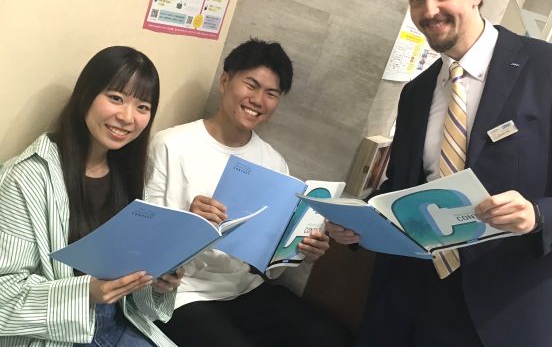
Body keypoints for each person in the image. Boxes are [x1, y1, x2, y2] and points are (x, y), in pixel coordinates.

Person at [328, 0, 552, 347]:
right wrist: (358, 222)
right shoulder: (416, 93)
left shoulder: (544, 68)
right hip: (407, 293)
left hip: (497, 307)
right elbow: (403, 187)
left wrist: (537, 215)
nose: (429, 10)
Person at [146, 38, 351, 346]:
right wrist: (190, 222)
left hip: (245, 287)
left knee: (331, 337)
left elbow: (272, 265)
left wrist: (301, 251)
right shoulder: (171, 145)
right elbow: (146, 239)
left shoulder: (273, 162)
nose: (258, 100)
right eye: (251, 85)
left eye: (271, 93)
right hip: (183, 292)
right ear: (224, 81)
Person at [0, 46, 184, 347]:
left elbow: (132, 288)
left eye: (142, 106)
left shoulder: (128, 175)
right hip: (56, 335)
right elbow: (3, 295)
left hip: (118, 321)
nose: (127, 117)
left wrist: (157, 283)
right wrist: (87, 292)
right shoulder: (26, 177)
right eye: (116, 98)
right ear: (86, 94)